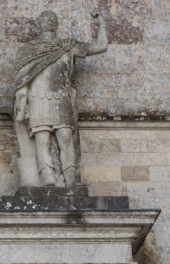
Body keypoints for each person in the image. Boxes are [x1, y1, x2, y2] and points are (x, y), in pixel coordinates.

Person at [14, 10, 107, 188]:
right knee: (42, 140)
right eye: (44, 19)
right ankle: (47, 177)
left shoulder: (67, 46)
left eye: (51, 19)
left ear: (55, 24)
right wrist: (22, 99)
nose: (48, 22)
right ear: (39, 24)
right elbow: (23, 77)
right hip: (38, 97)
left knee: (65, 137)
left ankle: (70, 178)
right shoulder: (28, 50)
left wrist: (101, 25)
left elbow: (100, 46)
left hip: (60, 97)